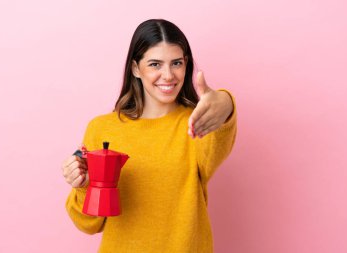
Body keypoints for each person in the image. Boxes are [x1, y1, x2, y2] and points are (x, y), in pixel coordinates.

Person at [62, 19, 237, 253]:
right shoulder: (102, 129)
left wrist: (225, 103)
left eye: (176, 63)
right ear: (136, 68)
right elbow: (89, 224)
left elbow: (220, 137)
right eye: (155, 64)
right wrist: (83, 185)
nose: (168, 75)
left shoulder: (196, 124)